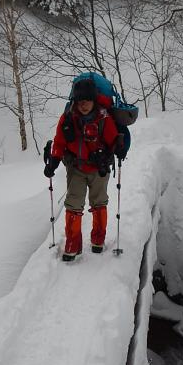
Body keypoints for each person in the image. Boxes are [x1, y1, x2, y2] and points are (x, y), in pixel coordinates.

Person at [44, 78, 126, 262]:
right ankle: (72, 245)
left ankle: (98, 240)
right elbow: (59, 142)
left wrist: (119, 148)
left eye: (87, 101)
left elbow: (113, 139)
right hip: (76, 168)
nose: (83, 105)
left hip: (99, 168)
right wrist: (54, 161)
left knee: (99, 203)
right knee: (73, 204)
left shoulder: (103, 118)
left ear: (94, 100)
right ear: (75, 100)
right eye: (80, 101)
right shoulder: (68, 119)